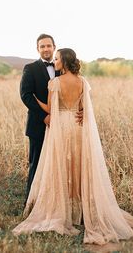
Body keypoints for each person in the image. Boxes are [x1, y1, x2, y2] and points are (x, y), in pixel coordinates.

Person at [13, 48, 133, 245]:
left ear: (63, 61)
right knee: (79, 165)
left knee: (60, 166)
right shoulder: (82, 82)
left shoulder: (54, 83)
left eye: (57, 59)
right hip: (78, 126)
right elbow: (84, 108)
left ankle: (65, 211)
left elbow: (50, 109)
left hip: (61, 127)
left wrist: (36, 100)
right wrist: (78, 112)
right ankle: (80, 209)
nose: (54, 62)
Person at [20, 35, 82, 201]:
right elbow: (26, 95)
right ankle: (31, 202)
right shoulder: (30, 68)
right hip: (38, 124)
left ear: (54, 47)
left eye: (49, 46)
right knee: (37, 164)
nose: (46, 49)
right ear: (37, 49)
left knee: (60, 165)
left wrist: (81, 111)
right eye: (42, 46)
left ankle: (57, 202)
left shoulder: (61, 67)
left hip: (63, 126)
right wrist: (44, 117)